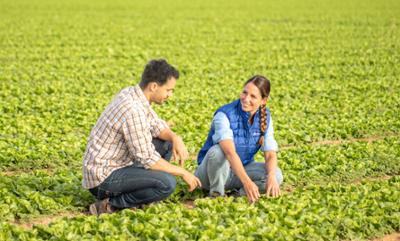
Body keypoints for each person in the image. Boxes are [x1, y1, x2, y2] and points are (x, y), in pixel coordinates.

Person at [82, 59, 201, 215]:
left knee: (167, 143)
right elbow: (147, 158)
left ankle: (140, 196)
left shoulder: (134, 93)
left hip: (118, 163)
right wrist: (182, 172)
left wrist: (175, 137)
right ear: (153, 86)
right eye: (168, 90)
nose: (170, 95)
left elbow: (156, 126)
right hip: (103, 179)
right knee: (167, 183)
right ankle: (110, 205)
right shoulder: (132, 110)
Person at [195, 75, 283, 203]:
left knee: (277, 175)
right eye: (244, 92)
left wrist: (271, 177)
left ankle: (238, 195)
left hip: (238, 171)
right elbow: (230, 153)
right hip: (210, 174)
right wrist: (247, 182)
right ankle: (216, 194)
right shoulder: (224, 114)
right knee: (218, 151)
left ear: (264, 100)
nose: (246, 99)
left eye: (253, 96)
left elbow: (270, 155)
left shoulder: (266, 117)